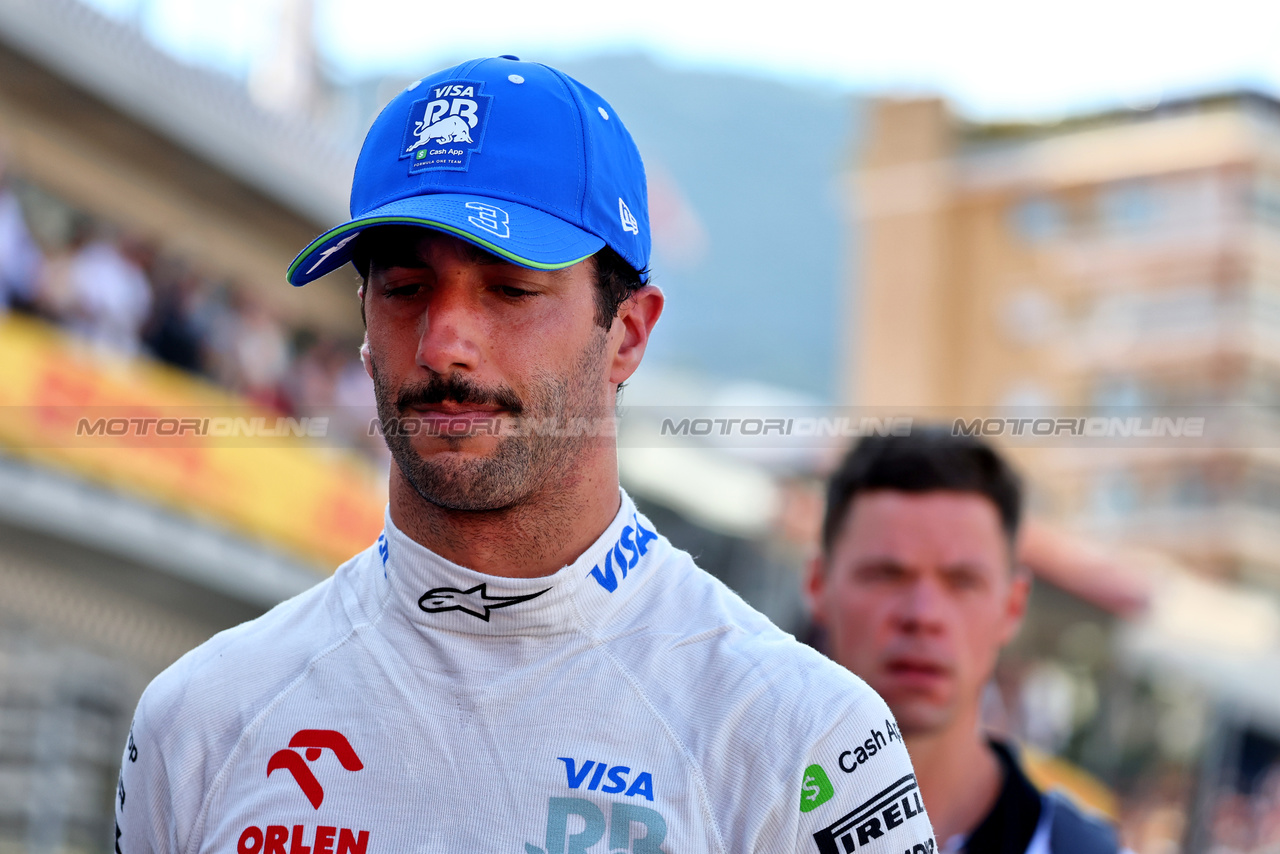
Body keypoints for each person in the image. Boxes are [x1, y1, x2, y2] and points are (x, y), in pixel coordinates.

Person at [114, 57, 936, 854]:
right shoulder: (199, 719)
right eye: (404, 289)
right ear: (364, 326)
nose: (444, 345)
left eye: (509, 288)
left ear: (628, 334)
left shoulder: (804, 740)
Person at [807, 430, 1121, 854]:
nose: (922, 615)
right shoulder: (713, 820)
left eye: (962, 582)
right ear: (817, 586)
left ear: (1012, 606)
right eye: (885, 574)